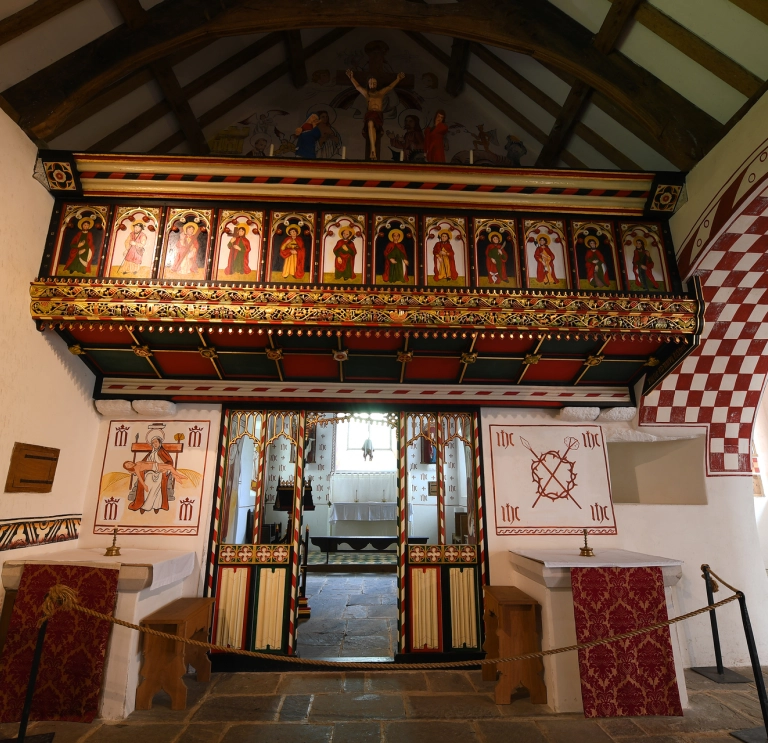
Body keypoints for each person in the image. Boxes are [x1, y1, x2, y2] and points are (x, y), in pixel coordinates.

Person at [346, 69, 406, 160]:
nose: (372, 85)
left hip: (378, 114)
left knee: (373, 129)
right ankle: (373, 149)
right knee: (370, 124)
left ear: (376, 84)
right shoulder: (367, 93)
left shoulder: (380, 93)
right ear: (368, 84)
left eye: (374, 83)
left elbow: (390, 87)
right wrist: (351, 77)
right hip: (370, 114)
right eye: (371, 83)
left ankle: (373, 149)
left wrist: (398, 79)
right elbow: (358, 87)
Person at [126, 435, 176, 514]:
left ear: (159, 443)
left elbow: (170, 462)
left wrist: (165, 469)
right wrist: (134, 470)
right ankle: (145, 505)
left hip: (160, 472)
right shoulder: (151, 453)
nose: (155, 444)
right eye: (153, 443)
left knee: (157, 484)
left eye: (156, 442)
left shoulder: (162, 452)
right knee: (147, 482)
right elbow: (143, 463)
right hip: (150, 472)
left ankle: (156, 506)